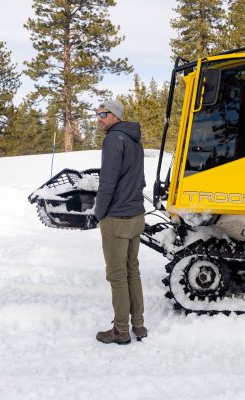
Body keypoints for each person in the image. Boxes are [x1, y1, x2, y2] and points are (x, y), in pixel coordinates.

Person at [94, 100, 147, 345]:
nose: (99, 119)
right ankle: (138, 324)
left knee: (117, 275)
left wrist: (99, 212)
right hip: (136, 213)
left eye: (103, 114)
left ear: (115, 115)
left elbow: (108, 181)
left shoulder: (114, 139)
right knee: (131, 270)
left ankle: (121, 330)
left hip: (117, 216)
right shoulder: (134, 139)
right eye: (97, 115)